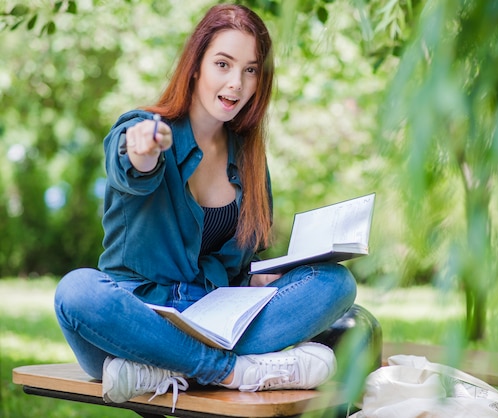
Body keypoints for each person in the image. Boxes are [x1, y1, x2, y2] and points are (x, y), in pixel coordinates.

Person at [54, 3, 357, 410]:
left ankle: (161, 371)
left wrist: (260, 278)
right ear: (196, 66)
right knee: (75, 291)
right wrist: (143, 149)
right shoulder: (146, 127)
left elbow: (237, 265)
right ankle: (233, 372)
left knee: (336, 283)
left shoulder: (247, 156)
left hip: (215, 320)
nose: (237, 83)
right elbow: (132, 163)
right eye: (223, 64)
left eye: (250, 69)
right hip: (137, 321)